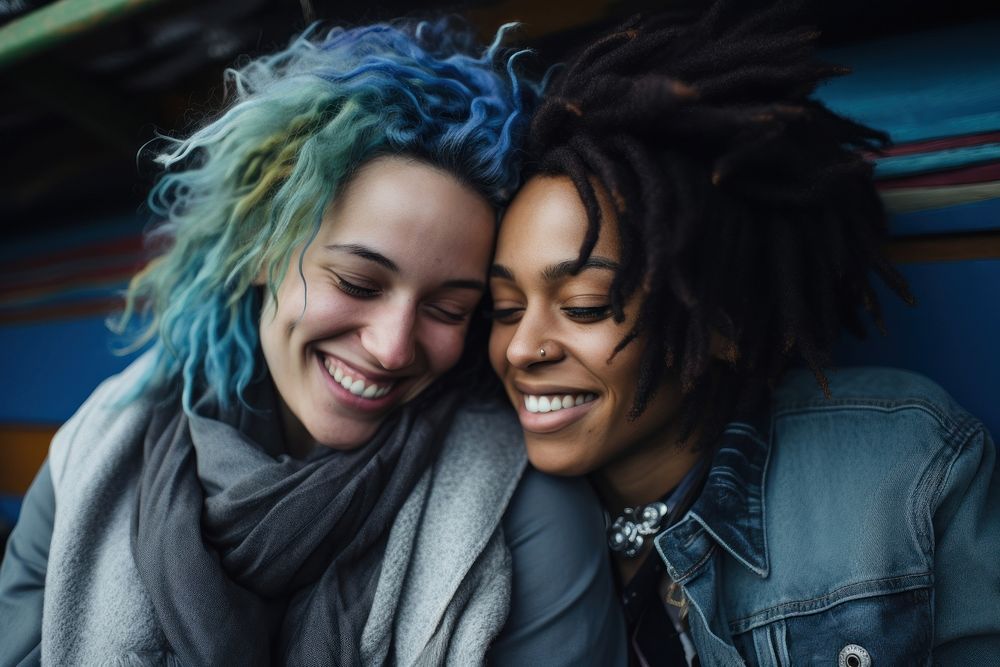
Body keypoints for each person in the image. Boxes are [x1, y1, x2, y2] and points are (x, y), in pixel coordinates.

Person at [0, 20, 626, 666]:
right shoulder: (94, 455)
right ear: (261, 248)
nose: (390, 348)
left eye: (449, 307)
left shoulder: (526, 510)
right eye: (357, 281)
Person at [487, 4, 1000, 665]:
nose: (524, 346)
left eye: (584, 305)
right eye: (503, 307)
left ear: (721, 320)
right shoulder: (479, 512)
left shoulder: (905, 477)